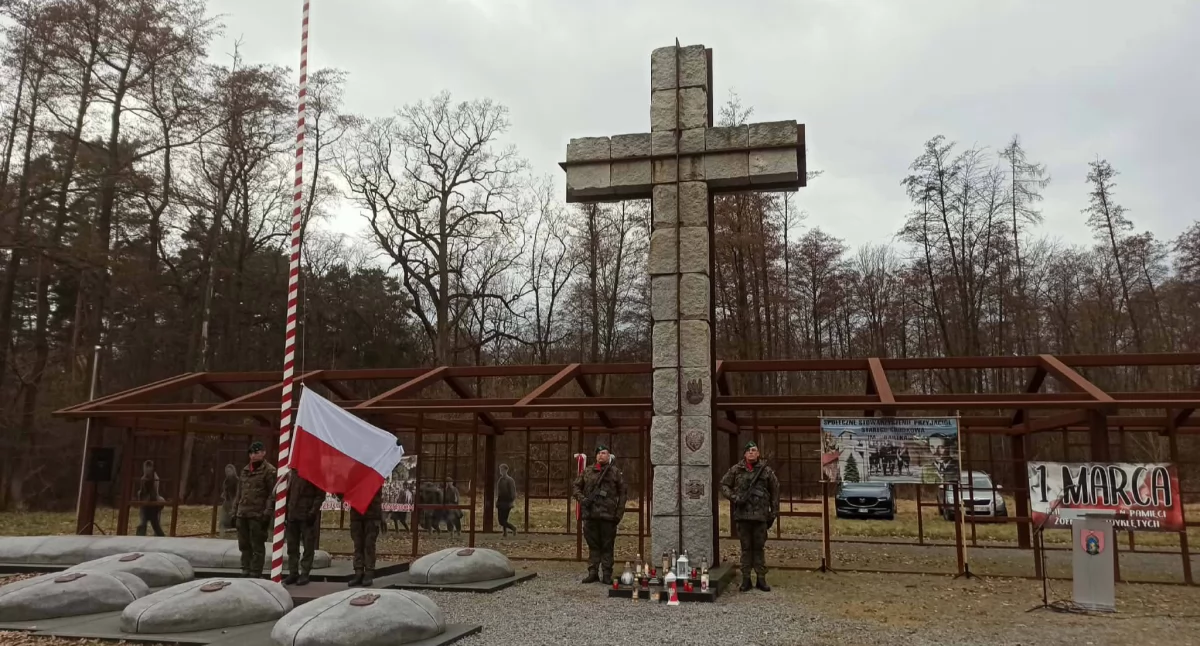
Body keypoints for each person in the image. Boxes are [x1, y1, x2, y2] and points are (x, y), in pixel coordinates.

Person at [720, 440, 779, 592]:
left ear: (758, 453)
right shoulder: (736, 470)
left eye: (754, 450)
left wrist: (774, 512)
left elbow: (775, 491)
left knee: (759, 548)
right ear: (745, 454)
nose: (751, 453)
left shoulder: (766, 471)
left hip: (760, 517)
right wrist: (734, 497)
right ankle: (746, 579)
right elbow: (724, 485)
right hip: (743, 516)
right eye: (749, 451)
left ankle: (761, 579)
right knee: (746, 548)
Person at [571, 444, 627, 584]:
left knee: (607, 546)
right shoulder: (588, 471)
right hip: (590, 515)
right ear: (596, 456)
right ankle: (593, 572)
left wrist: (618, 514)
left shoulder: (614, 472)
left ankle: (607, 573)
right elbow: (576, 487)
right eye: (599, 453)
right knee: (593, 545)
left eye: (604, 453)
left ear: (609, 456)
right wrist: (583, 500)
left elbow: (623, 494)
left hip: (608, 516)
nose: (601, 455)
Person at [235, 441, 277, 578]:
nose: (253, 456)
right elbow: (239, 492)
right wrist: (234, 511)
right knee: (244, 544)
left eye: (256, 452)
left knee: (257, 545)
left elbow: (272, 494)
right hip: (243, 512)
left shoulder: (269, 471)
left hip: (257, 514)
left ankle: (255, 571)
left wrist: (267, 512)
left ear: (263, 453)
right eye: (251, 453)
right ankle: (245, 568)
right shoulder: (245, 470)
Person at [284, 471, 324, 586]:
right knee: (292, 547)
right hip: (293, 516)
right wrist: (286, 513)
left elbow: (320, 495)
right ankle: (293, 572)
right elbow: (288, 493)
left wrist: (312, 513)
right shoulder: (293, 474)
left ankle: (305, 573)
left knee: (308, 546)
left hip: (306, 517)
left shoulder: (314, 472)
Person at [348, 488, 382, 587]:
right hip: (356, 515)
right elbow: (343, 491)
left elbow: (377, 496)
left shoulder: (374, 476)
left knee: (369, 545)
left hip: (371, 515)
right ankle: (358, 572)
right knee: (358, 544)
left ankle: (368, 573)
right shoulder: (353, 477)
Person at [135, 460, 165, 537]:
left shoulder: (155, 478)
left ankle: (159, 536)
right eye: (145, 468)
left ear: (151, 468)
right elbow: (142, 492)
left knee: (154, 522)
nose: (147, 469)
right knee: (144, 522)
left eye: (149, 467)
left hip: (153, 502)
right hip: (145, 504)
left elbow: (155, 492)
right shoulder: (143, 478)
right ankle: (140, 536)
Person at [496, 463, 518, 536]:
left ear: (506, 470)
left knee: (504, 519)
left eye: (502, 469)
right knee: (501, 520)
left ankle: (513, 528)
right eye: (500, 469)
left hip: (507, 502)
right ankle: (505, 532)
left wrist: (511, 501)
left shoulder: (510, 480)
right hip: (500, 501)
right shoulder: (500, 480)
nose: (501, 471)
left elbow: (513, 492)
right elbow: (498, 491)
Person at [219, 464, 238, 533]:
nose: (228, 473)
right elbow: (225, 490)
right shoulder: (226, 481)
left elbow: (237, 492)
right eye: (227, 471)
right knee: (224, 515)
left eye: (229, 471)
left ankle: (233, 527)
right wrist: (224, 494)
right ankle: (225, 527)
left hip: (234, 500)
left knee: (233, 514)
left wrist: (235, 501)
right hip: (227, 501)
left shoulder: (236, 480)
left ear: (233, 471)